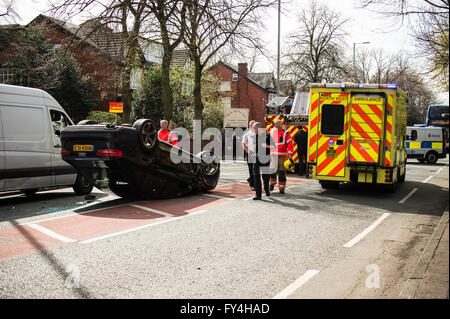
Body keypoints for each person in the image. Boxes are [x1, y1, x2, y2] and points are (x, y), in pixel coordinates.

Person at [251, 122, 274, 200]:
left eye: (254, 128)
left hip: (265, 158)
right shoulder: (254, 136)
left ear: (258, 128)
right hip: (256, 158)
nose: (253, 130)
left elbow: (273, 146)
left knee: (265, 176)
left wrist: (266, 146)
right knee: (256, 176)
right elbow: (254, 146)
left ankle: (266, 188)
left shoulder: (267, 136)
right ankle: (258, 195)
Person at [269, 119, 294, 194]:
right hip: (273, 156)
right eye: (275, 123)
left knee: (282, 172)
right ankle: (272, 182)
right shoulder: (272, 132)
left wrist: (289, 154)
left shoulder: (285, 133)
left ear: (281, 124)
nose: (275, 125)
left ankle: (282, 187)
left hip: (282, 156)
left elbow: (290, 144)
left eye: (277, 123)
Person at [242, 120, 256, 190]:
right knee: (251, 169)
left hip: (258, 154)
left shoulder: (259, 133)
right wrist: (248, 152)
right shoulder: (246, 134)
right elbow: (244, 144)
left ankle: (250, 179)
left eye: (253, 125)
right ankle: (253, 185)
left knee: (256, 169)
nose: (252, 126)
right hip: (250, 153)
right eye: (251, 125)